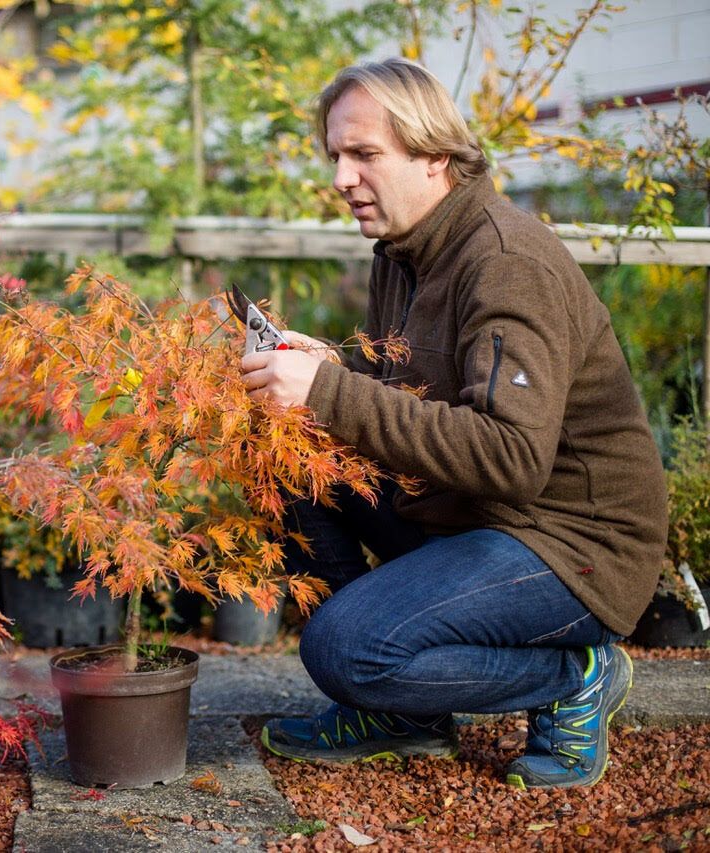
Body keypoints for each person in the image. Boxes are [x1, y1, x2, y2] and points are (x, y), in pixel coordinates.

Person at [239, 58, 668, 790]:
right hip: (472, 511)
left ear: (435, 155)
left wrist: (333, 391)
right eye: (336, 155)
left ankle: (574, 677)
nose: (342, 177)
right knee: (294, 460)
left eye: (365, 154)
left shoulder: (506, 261)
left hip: (570, 540)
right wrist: (336, 374)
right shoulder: (402, 253)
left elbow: (510, 455)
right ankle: (403, 712)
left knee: (344, 650)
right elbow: (424, 403)